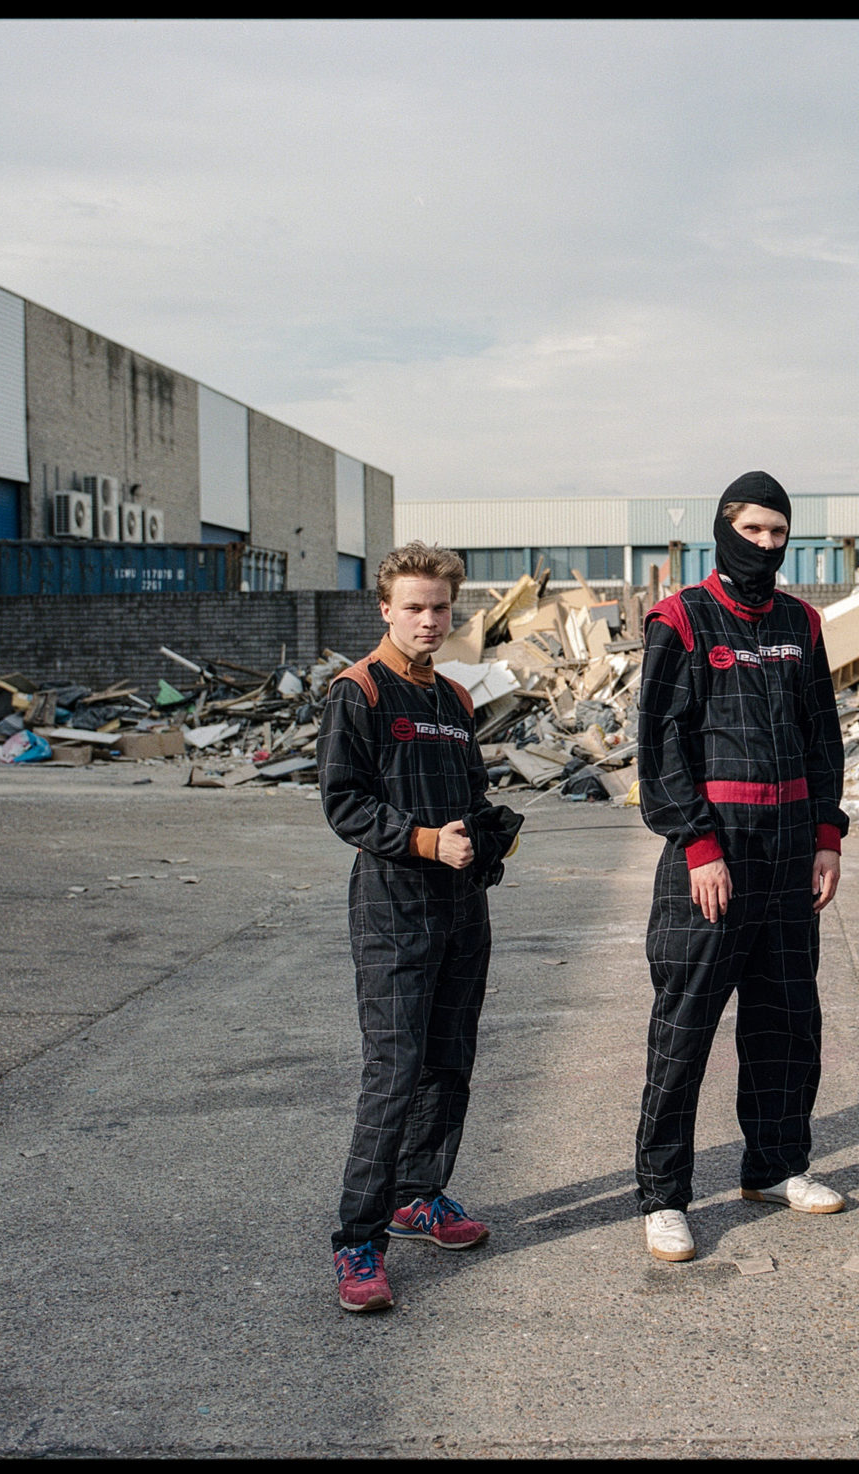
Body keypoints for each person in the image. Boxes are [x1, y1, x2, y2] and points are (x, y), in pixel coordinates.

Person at [633, 471, 850, 1262]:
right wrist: (697, 844)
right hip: (713, 857)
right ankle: (663, 1195)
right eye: (752, 530)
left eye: (777, 532)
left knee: (787, 1022)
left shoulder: (802, 623)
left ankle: (776, 1164)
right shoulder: (681, 619)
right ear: (723, 529)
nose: (765, 545)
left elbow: (824, 735)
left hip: (791, 852)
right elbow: (657, 747)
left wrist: (828, 835)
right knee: (685, 1026)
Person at [319, 541, 522, 1313]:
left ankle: (419, 1196)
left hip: (461, 905)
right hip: (393, 906)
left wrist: (488, 834)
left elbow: (466, 793)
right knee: (394, 1073)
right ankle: (358, 1241)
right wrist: (428, 841)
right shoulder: (357, 691)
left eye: (440, 607)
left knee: (448, 1063)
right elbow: (344, 803)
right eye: (413, 607)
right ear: (385, 609)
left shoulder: (456, 699)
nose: (429, 620)